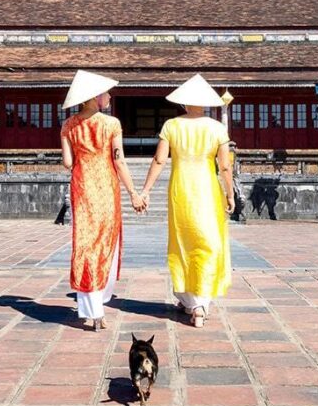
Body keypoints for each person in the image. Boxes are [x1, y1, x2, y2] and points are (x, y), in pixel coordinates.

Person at [140, 74, 235, 328]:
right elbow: (225, 166)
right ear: (206, 102)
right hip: (207, 191)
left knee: (183, 243)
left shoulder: (172, 126)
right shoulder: (217, 128)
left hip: (180, 190)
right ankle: (199, 305)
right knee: (207, 243)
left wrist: (146, 190)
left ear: (184, 102)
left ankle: (188, 299)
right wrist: (230, 193)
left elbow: (159, 160)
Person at [60, 70, 144, 330]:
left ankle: (92, 309)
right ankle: (99, 302)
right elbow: (119, 160)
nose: (109, 97)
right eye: (106, 93)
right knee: (105, 241)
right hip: (106, 188)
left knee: (85, 243)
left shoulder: (69, 125)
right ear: (94, 97)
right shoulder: (111, 124)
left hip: (82, 188)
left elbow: (68, 162)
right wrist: (133, 192)